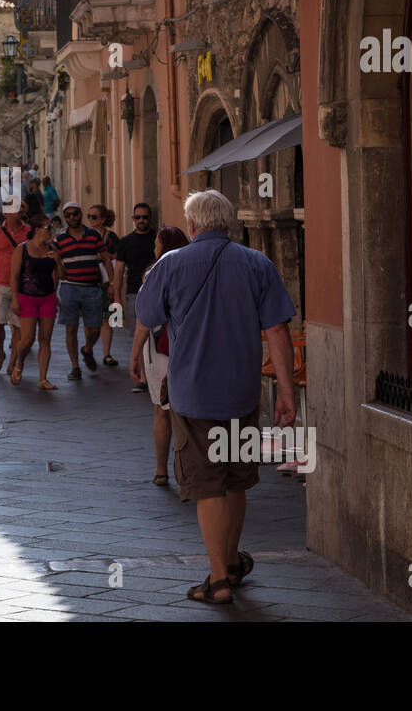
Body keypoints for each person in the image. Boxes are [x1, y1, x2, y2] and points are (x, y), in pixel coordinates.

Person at [135, 190, 296, 605]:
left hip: (193, 396)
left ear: (191, 226)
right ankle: (230, 562)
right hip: (242, 394)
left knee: (207, 485)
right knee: (236, 479)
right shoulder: (257, 263)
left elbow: (148, 316)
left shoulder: (169, 264)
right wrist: (285, 391)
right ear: (229, 223)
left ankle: (218, 578)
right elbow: (278, 330)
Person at [129, 226, 188, 487]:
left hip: (158, 347)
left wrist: (134, 357)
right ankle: (187, 471)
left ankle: (161, 470)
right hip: (190, 347)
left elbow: (144, 320)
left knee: (161, 410)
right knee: (187, 412)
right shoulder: (195, 270)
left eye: (156, 244)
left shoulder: (153, 273)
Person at [53, 201, 112, 380]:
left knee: (94, 328)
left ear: (80, 214)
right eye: (68, 215)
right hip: (69, 287)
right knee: (71, 328)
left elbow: (107, 259)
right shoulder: (59, 239)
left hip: (92, 288)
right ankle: (75, 366)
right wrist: (53, 292)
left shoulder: (93, 235)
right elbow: (56, 268)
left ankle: (87, 349)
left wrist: (112, 283)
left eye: (75, 214)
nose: (72, 217)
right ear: (65, 218)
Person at [9, 214, 62, 389]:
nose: (51, 231)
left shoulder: (53, 248)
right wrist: (15, 300)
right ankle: (19, 362)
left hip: (48, 297)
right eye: (48, 228)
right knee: (27, 339)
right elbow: (15, 276)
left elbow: (61, 276)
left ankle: (43, 378)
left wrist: (58, 261)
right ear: (38, 230)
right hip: (27, 297)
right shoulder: (22, 249)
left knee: (45, 338)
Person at [115, 202, 159, 393]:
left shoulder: (158, 238)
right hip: (134, 293)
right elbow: (118, 271)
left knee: (156, 337)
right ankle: (143, 377)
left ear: (150, 218)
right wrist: (116, 296)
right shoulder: (125, 242)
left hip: (156, 293)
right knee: (138, 337)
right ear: (133, 219)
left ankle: (156, 374)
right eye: (138, 217)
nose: (142, 220)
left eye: (145, 217)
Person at [0, 205, 31, 373]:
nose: (17, 210)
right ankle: (0, 353)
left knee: (18, 326)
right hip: (1, 284)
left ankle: (13, 361)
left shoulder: (28, 232)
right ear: (5, 212)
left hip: (22, 286)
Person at [88, 204, 119, 367]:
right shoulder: (86, 236)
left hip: (108, 280)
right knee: (92, 320)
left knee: (109, 318)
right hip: (90, 280)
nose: (91, 220)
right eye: (89, 216)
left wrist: (114, 283)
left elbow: (118, 256)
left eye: (94, 217)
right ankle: (89, 350)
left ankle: (107, 353)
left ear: (103, 219)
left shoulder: (112, 237)